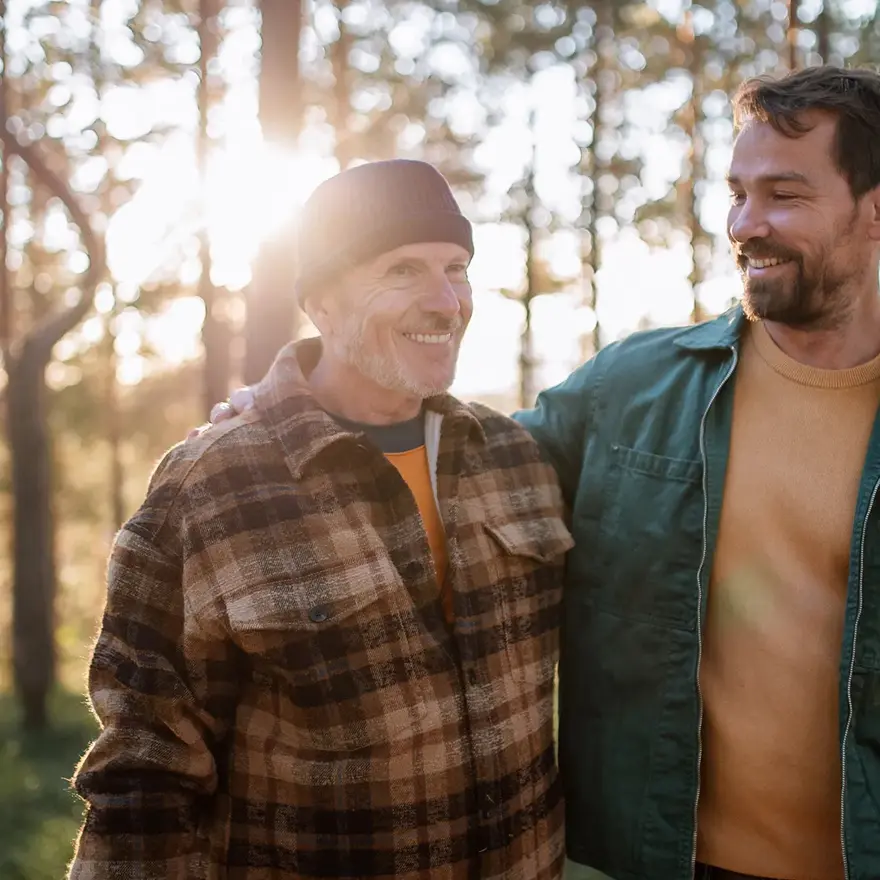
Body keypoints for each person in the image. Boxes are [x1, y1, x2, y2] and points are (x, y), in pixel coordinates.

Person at [208, 66, 880, 880]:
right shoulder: (636, 387)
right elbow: (463, 469)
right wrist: (289, 407)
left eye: (785, 194)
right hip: (671, 861)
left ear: (874, 209)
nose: (747, 222)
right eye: (737, 191)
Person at [68, 159, 574, 880]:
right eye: (402, 270)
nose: (445, 301)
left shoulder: (517, 460)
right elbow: (143, 781)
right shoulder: (213, 484)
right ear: (322, 305)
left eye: (456, 267)